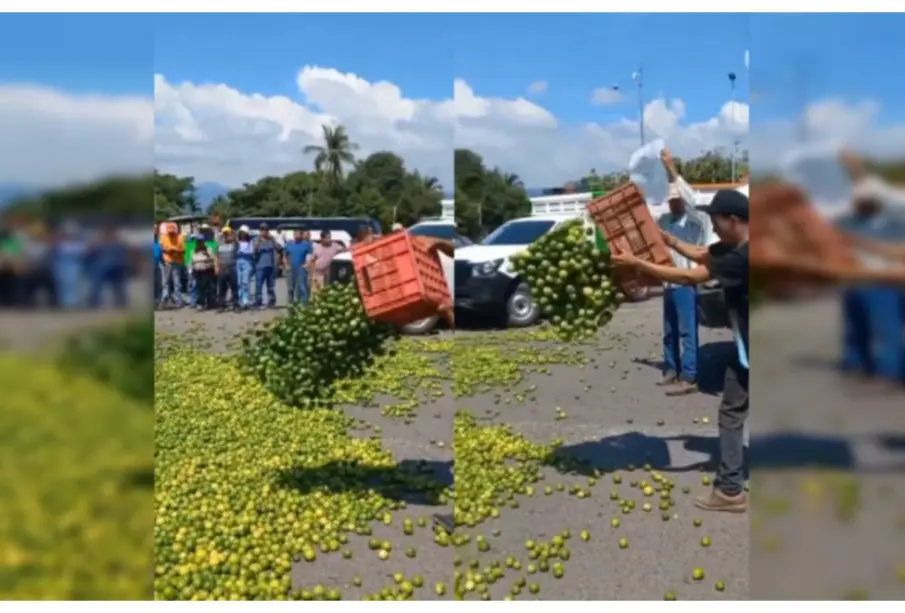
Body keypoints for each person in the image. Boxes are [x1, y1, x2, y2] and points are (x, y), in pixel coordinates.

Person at [610, 189, 749, 513]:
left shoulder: (743, 257)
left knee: (731, 414)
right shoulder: (734, 248)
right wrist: (666, 239)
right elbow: (702, 254)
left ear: (733, 219)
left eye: (716, 220)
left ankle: (730, 490)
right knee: (734, 411)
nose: (713, 226)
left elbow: (691, 275)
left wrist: (636, 263)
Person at [656, 148, 713, 395]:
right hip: (668, 284)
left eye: (676, 198)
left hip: (687, 284)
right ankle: (671, 368)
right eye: (670, 199)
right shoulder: (664, 222)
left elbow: (692, 198)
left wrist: (671, 170)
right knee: (669, 332)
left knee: (687, 332)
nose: (673, 202)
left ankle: (689, 376)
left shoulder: (696, 221)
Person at [87, 225, 129, 309]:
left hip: (114, 266)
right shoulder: (101, 243)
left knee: (117, 286)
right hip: (106, 266)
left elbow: (126, 253)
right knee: (99, 285)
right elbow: (90, 253)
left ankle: (120, 302)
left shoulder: (117, 242)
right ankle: (95, 301)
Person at [158, 222, 187, 309]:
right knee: (166, 282)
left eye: (172, 231)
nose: (171, 233)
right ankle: (164, 300)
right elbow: (161, 248)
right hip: (167, 262)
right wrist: (168, 250)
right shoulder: (163, 237)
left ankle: (179, 300)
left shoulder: (180, 237)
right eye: (169, 232)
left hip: (177, 262)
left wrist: (176, 251)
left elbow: (183, 250)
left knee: (176, 282)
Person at [253, 223, 281, 309]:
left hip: (270, 266)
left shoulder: (271, 240)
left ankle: (272, 300)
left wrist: (273, 240)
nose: (264, 231)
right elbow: (254, 251)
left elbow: (279, 248)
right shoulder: (256, 240)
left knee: (270, 285)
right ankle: (258, 301)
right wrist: (258, 240)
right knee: (259, 285)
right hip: (260, 266)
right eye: (262, 229)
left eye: (266, 229)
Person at [311, 230, 346, 296]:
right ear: (322, 239)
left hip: (329, 274)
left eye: (330, 237)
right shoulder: (317, 247)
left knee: (327, 292)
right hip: (318, 274)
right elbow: (312, 260)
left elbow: (344, 250)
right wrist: (312, 274)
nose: (329, 240)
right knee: (317, 293)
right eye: (327, 238)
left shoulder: (335, 246)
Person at [284, 228, 314, 305]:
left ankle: (304, 305)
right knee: (290, 288)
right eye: (296, 233)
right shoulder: (289, 244)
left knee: (302, 287)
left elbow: (311, 256)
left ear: (301, 235)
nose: (297, 235)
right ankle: (290, 304)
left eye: (299, 233)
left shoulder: (306, 245)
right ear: (293, 235)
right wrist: (286, 265)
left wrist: (307, 264)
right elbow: (284, 256)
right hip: (291, 269)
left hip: (301, 268)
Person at [215, 226, 239, 311]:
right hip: (222, 268)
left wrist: (233, 234)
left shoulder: (235, 244)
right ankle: (221, 305)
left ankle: (236, 304)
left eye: (228, 234)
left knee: (234, 287)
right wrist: (216, 267)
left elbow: (236, 240)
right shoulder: (219, 244)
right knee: (222, 288)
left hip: (232, 267)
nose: (226, 236)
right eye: (225, 234)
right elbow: (216, 256)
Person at [190, 240, 217, 311]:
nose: (200, 244)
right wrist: (191, 270)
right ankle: (206, 303)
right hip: (197, 271)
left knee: (204, 286)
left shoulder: (208, 249)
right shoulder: (194, 250)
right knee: (199, 287)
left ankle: (201, 303)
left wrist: (207, 254)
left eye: (201, 242)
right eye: (198, 242)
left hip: (206, 270)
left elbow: (213, 258)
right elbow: (192, 261)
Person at [235, 225, 255, 310]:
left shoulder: (250, 242)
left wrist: (241, 251)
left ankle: (246, 300)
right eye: (241, 233)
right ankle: (240, 300)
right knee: (239, 282)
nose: (243, 235)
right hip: (238, 263)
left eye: (244, 233)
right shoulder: (237, 242)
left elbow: (251, 252)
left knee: (245, 282)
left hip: (247, 263)